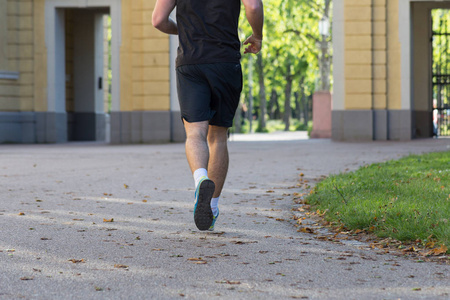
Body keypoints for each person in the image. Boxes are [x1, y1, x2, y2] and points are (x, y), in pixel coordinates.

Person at [152, 0, 264, 231]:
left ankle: (200, 179)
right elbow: (253, 6)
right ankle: (211, 207)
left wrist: (182, 29)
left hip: (190, 62)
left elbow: (158, 20)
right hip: (224, 62)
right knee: (218, 137)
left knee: (195, 133)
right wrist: (257, 35)